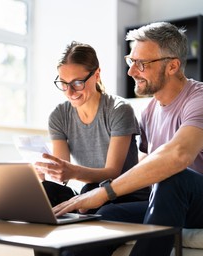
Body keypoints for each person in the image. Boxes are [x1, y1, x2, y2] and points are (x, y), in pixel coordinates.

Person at [53, 22, 203, 256]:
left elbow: (177, 157)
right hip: (176, 202)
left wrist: (106, 192)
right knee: (106, 215)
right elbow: (145, 167)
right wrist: (96, 194)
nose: (131, 71)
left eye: (141, 64)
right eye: (131, 61)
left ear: (173, 66)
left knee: (172, 178)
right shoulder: (150, 110)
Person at [35, 41, 151, 210]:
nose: (69, 92)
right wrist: (47, 172)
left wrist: (73, 172)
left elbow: (113, 173)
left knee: (94, 200)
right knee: (44, 193)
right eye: (63, 83)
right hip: (91, 191)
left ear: (96, 75)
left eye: (77, 83)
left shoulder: (119, 110)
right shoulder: (59, 116)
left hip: (125, 194)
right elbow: (62, 175)